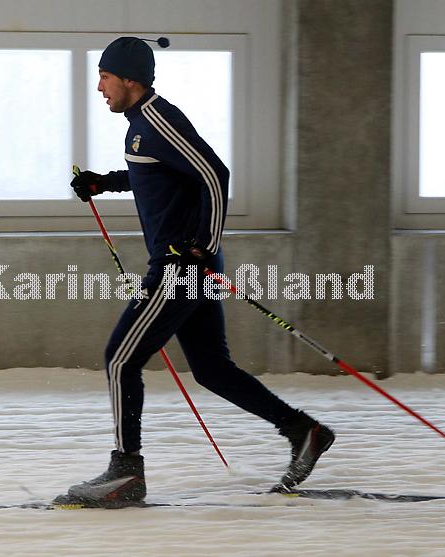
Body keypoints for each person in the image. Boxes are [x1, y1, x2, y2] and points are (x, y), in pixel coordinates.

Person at [61, 36, 334, 506]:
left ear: (129, 79)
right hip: (185, 263)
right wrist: (105, 182)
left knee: (121, 358)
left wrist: (203, 246)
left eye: (104, 76)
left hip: (180, 266)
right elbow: (159, 175)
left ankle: (126, 472)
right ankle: (302, 431)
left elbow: (214, 174)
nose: (99, 87)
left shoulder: (157, 119)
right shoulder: (141, 126)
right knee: (211, 369)